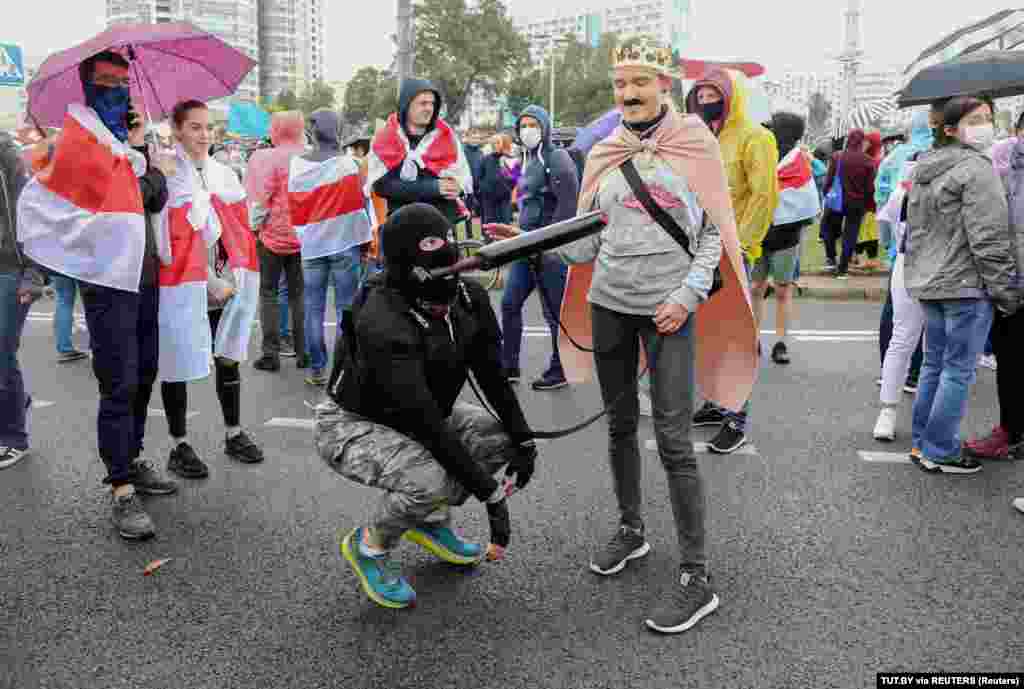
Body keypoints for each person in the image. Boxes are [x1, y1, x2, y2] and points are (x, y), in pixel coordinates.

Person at [489, 35, 757, 634]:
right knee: (617, 427)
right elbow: (588, 241)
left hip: (669, 313)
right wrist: (535, 238)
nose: (629, 93)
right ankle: (631, 530)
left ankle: (696, 575)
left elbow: (713, 233)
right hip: (609, 304)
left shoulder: (694, 143)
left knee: (674, 440)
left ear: (665, 85)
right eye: (620, 84)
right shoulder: (604, 151)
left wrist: (686, 296)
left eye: (640, 82)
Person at [313, 202, 538, 609]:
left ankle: (430, 520)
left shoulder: (468, 298)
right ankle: (370, 546)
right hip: (354, 422)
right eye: (433, 244)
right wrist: (490, 494)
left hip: (425, 410)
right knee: (430, 478)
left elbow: (492, 377)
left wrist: (525, 442)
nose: (449, 252)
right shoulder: (382, 318)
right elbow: (427, 425)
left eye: (450, 239)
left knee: (498, 438)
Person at [17, 50, 179, 539]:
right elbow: (140, 193)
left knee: (146, 371)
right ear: (87, 87)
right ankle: (121, 488)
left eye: (123, 82)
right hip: (108, 282)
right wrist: (153, 170)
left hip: (145, 274)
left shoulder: (126, 141)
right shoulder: (81, 141)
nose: (117, 91)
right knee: (119, 381)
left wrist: (144, 157)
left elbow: (151, 197)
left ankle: (132, 457)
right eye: (106, 82)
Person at [904, 96, 1020, 474]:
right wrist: (1007, 291)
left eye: (988, 117)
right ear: (950, 129)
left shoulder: (925, 167)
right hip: (968, 284)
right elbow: (988, 239)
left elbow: (917, 233)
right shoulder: (977, 169)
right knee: (957, 370)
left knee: (935, 366)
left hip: (932, 282)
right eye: (975, 119)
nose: (986, 125)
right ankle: (941, 449)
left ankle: (923, 442)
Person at [156, 99, 265, 479]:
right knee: (177, 361)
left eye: (208, 127)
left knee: (228, 356)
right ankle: (178, 444)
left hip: (224, 280)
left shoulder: (224, 174)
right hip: (183, 283)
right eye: (195, 127)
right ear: (177, 129)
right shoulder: (167, 173)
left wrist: (234, 275)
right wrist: (207, 278)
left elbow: (238, 229)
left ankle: (233, 433)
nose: (204, 135)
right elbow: (169, 237)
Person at [685, 67, 778, 454]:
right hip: (701, 251)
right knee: (709, 333)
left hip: (735, 252)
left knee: (735, 336)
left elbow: (764, 195)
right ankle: (716, 401)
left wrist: (743, 245)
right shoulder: (703, 138)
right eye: (700, 96)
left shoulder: (756, 137)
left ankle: (736, 419)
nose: (706, 102)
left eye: (713, 95)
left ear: (730, 96)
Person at [288, 109, 373, 386]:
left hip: (312, 246)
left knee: (313, 308)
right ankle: (343, 369)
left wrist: (306, 235)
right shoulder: (347, 165)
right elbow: (358, 209)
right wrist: (363, 242)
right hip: (344, 246)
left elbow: (296, 208)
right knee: (345, 308)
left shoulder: (297, 165)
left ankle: (317, 370)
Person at [501, 106, 579, 390]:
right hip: (524, 246)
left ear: (544, 127)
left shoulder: (557, 158)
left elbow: (569, 204)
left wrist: (550, 241)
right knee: (509, 304)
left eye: (533, 124)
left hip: (549, 251)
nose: (527, 130)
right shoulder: (527, 158)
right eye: (523, 125)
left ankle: (560, 370)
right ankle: (508, 366)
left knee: (553, 314)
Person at [963, 113, 1024, 461]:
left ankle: (1012, 433)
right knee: (1012, 362)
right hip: (1011, 284)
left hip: (1011, 284)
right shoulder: (1003, 166)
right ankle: (1011, 430)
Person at [752, 112, 820, 365]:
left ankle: (781, 342)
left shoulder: (799, 163)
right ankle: (753, 338)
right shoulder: (761, 155)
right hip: (760, 235)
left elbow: (808, 202)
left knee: (780, 290)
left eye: (774, 127)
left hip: (785, 238)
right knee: (757, 288)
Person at [246, 111, 308, 372]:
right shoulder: (308, 158)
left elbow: (262, 198)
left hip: (272, 237)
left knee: (268, 293)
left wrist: (254, 227)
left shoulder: (271, 158)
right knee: (300, 295)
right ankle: (305, 352)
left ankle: (270, 354)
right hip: (304, 237)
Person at [365, 77, 473, 227]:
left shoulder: (446, 135)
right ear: (406, 105)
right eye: (423, 103)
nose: (429, 108)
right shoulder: (386, 137)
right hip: (404, 224)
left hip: (443, 222)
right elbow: (381, 187)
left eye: (432, 104)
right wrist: (432, 188)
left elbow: (461, 179)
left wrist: (458, 188)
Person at [0, 130, 42, 469]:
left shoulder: (8, 157)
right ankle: (18, 401)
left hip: (11, 269)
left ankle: (14, 437)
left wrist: (32, 272)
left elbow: (30, 219)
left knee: (1, 353)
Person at [820, 129, 876, 279]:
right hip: (857, 204)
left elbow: (829, 180)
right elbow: (870, 188)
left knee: (827, 228)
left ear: (848, 140)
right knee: (850, 235)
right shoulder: (868, 161)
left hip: (836, 201)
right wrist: (869, 205)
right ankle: (842, 269)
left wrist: (826, 194)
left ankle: (831, 259)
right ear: (861, 141)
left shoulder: (837, 156)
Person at [477, 133, 515, 225]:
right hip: (488, 198)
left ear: (503, 144)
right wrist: (484, 188)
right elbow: (480, 176)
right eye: (493, 143)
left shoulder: (510, 159)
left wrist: (508, 188)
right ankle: (489, 239)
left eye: (497, 143)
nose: (495, 145)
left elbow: (515, 177)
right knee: (490, 223)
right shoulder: (485, 159)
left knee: (505, 222)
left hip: (504, 198)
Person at [51, 273, 87, 363]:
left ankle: (65, 348)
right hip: (81, 262)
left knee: (63, 301)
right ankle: (100, 345)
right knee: (91, 299)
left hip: (56, 263)